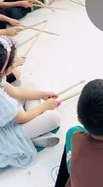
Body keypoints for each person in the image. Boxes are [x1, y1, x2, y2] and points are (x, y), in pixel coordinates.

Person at [0, 36, 61, 168]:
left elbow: (16, 92)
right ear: (6, 70)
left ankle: (35, 133)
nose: (16, 62)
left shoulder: (0, 76)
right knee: (55, 117)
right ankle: (32, 139)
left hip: (8, 118)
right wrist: (45, 106)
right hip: (4, 136)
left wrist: (43, 94)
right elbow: (22, 118)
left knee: (31, 86)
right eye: (14, 62)